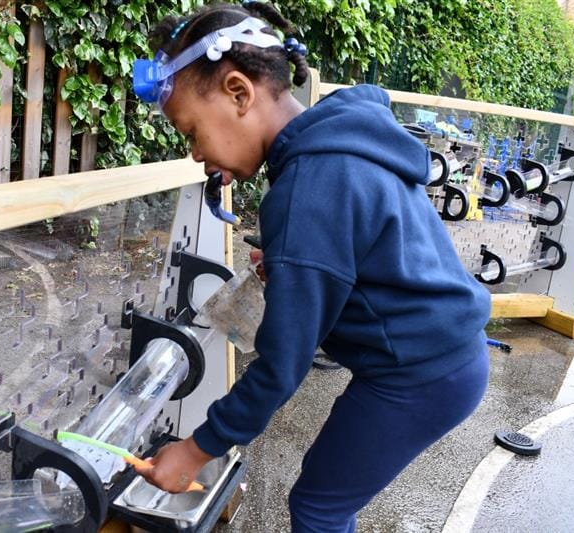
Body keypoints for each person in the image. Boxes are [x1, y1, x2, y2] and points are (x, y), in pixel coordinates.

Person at [132, 2, 491, 531]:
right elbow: (368, 250)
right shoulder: (339, 143)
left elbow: (283, 363)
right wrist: (298, 264)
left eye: (190, 131)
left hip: (421, 373)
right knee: (324, 496)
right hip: (443, 355)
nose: (193, 154)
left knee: (320, 506)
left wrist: (197, 448)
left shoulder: (308, 188)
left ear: (238, 92)